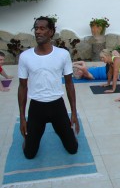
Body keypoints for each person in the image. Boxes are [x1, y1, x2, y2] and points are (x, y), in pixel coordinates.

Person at [18, 16, 79, 159]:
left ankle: (69, 136)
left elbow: (69, 84)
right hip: (36, 107)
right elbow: (22, 87)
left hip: (57, 105)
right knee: (29, 154)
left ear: (51, 32)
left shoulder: (62, 54)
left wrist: (74, 113)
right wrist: (22, 117)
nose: (38, 32)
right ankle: (28, 140)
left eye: (42, 28)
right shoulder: (25, 57)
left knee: (73, 149)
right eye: (36, 28)